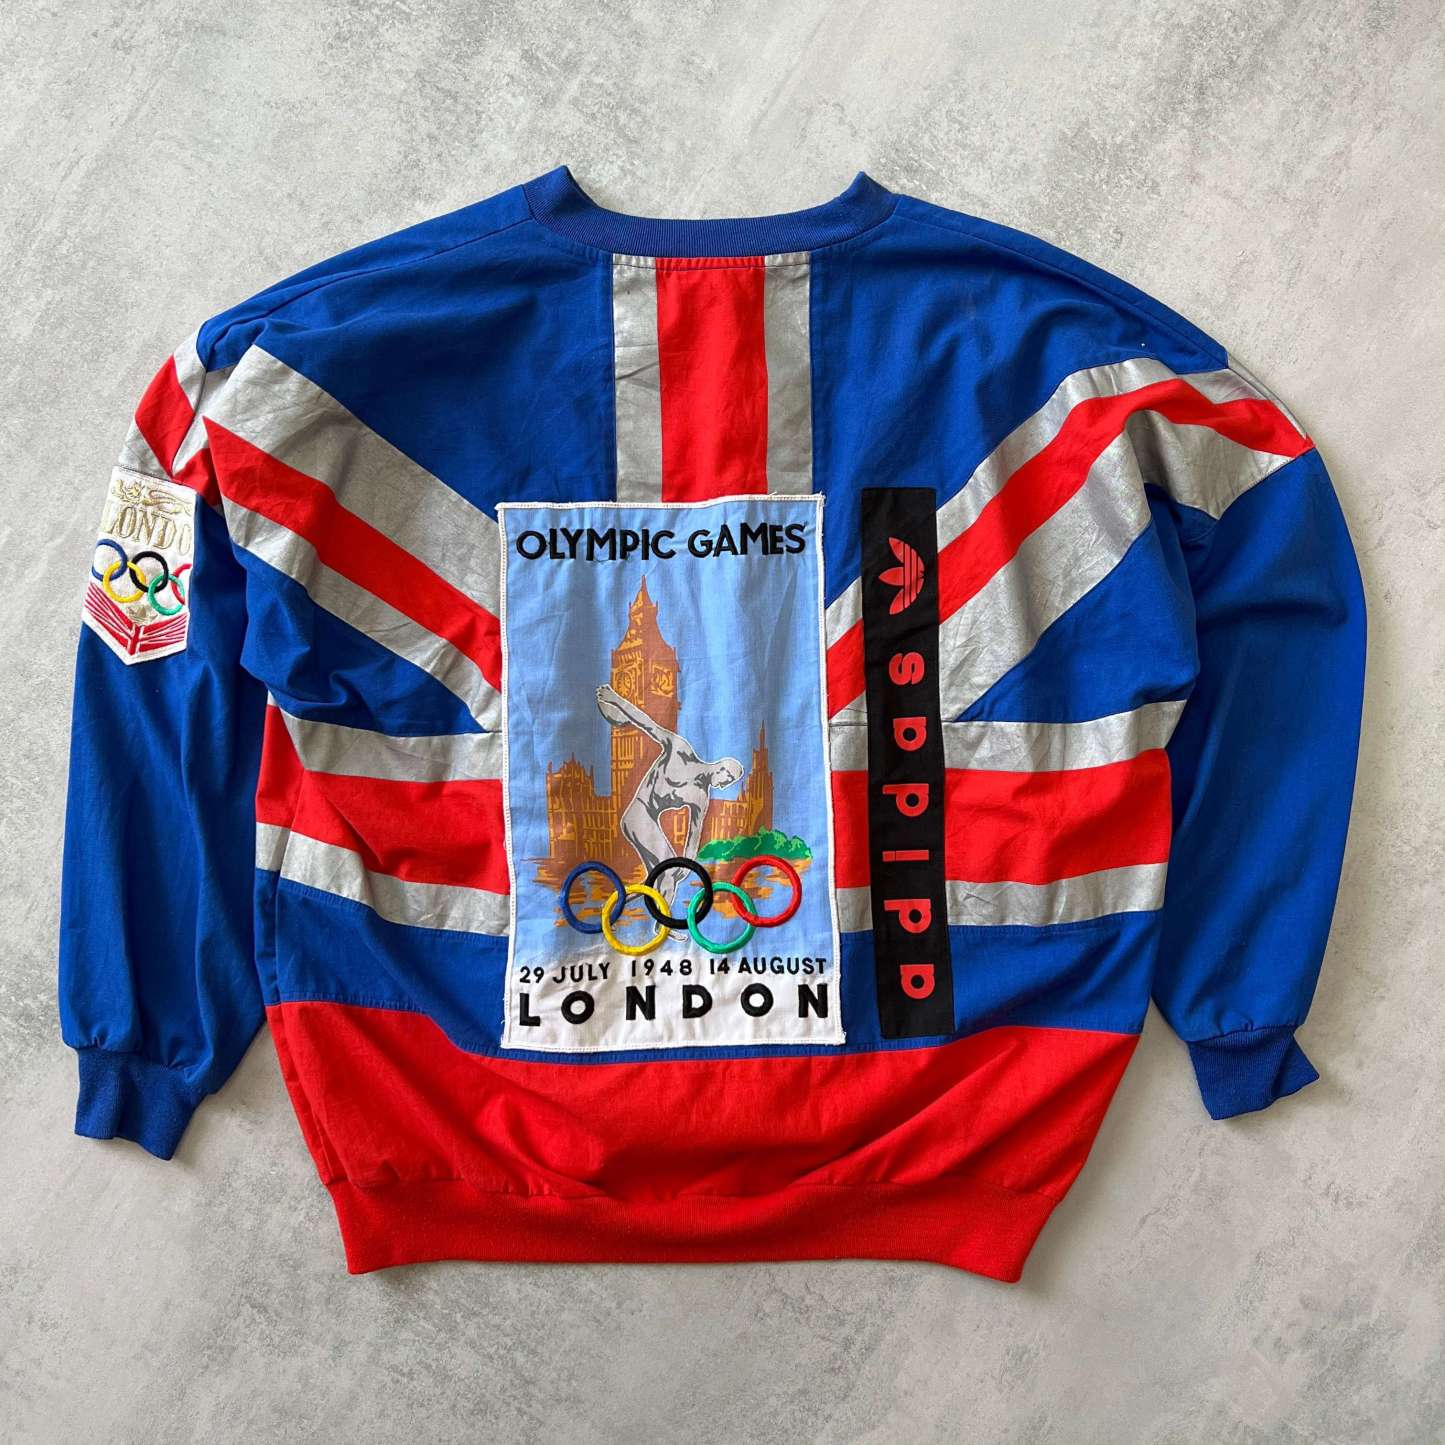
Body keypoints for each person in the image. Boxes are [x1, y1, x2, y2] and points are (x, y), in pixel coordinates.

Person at [596, 684, 743, 898]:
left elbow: (694, 836)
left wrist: (688, 865)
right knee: (667, 874)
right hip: (638, 814)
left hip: (648, 821)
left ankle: (615, 907)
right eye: (727, 779)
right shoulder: (680, 751)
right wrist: (616, 699)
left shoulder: (701, 795)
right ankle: (662, 919)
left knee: (658, 878)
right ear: (721, 768)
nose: (723, 785)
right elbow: (648, 725)